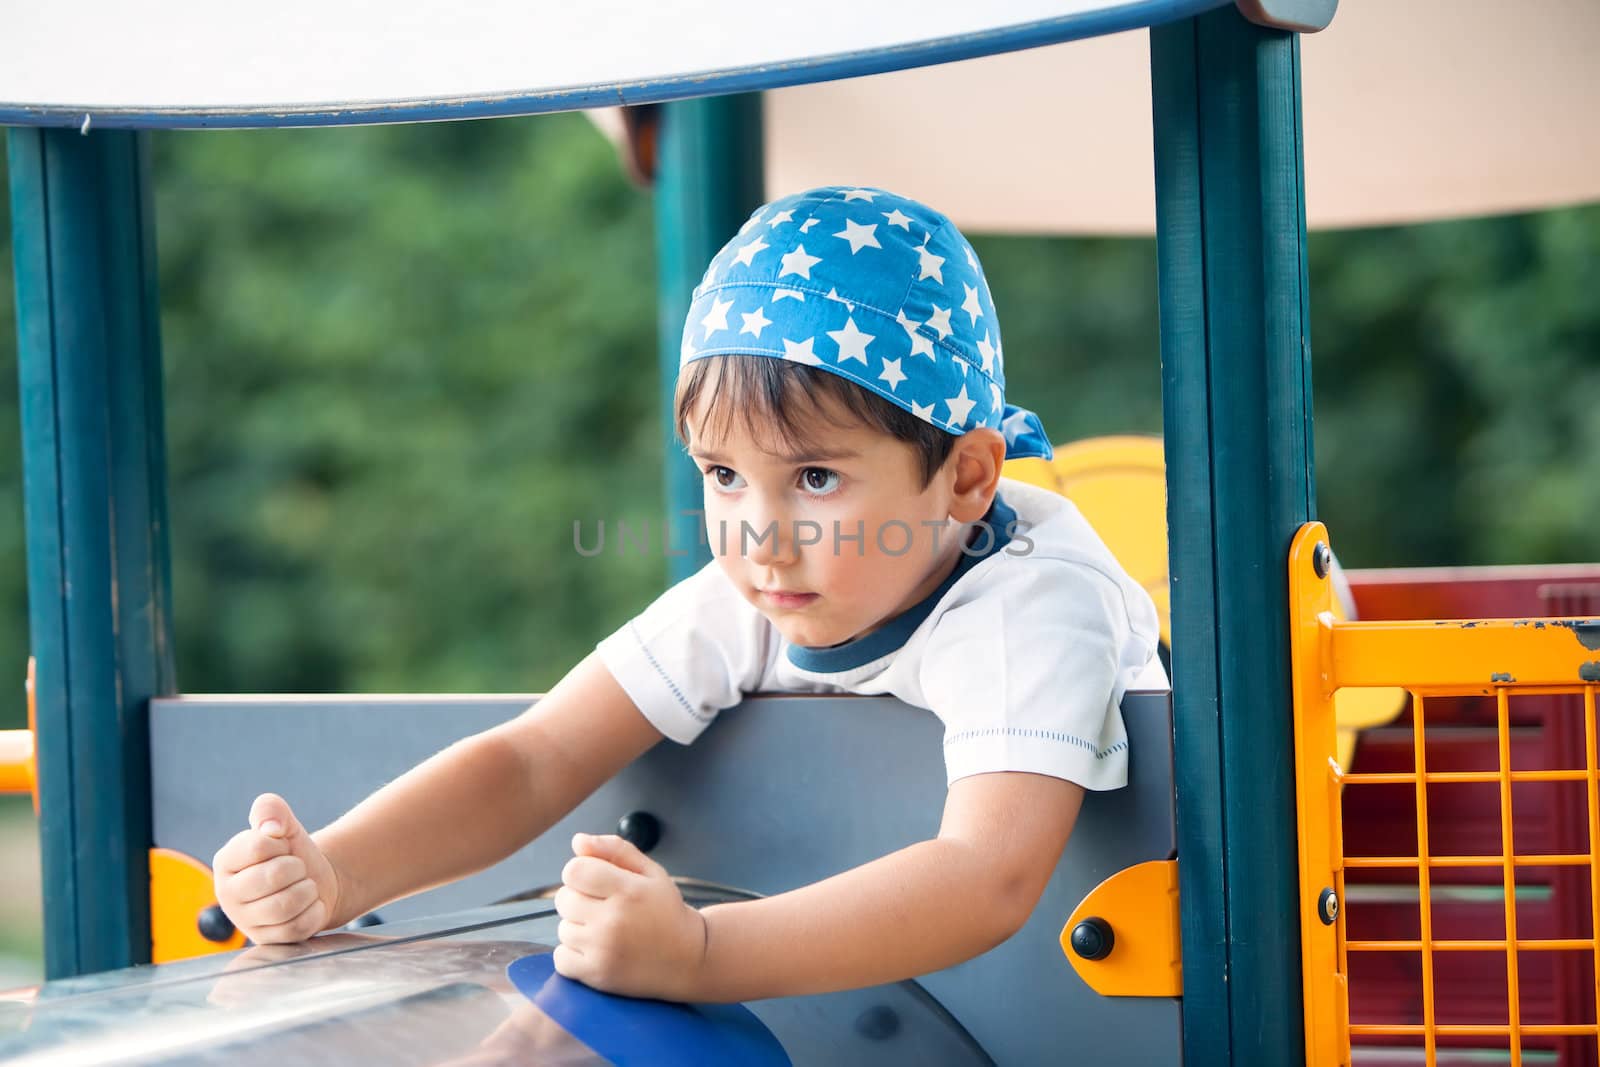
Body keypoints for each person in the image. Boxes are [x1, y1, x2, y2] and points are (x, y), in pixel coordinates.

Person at [212, 186, 1161, 1004]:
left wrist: (700, 951)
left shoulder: (1032, 607)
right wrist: (338, 871)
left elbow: (985, 875)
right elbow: (538, 756)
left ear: (963, 479)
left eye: (817, 479)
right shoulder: (763, 588)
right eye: (722, 473)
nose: (760, 532)